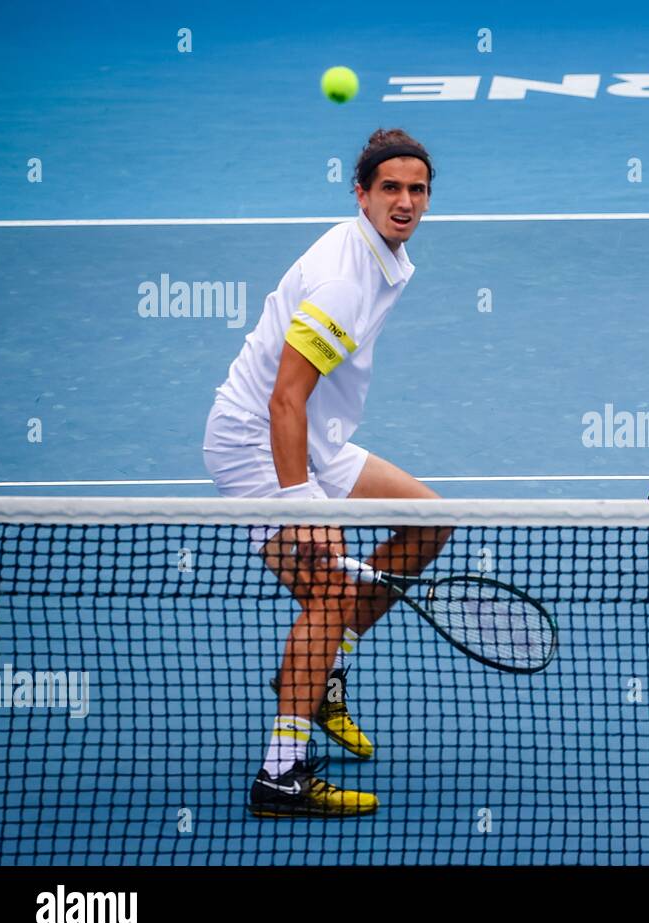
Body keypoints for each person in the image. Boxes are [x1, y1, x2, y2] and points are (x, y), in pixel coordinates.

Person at [203, 128, 449, 816]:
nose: (405, 201)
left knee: (430, 518)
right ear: (362, 195)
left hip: (316, 436)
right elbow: (285, 396)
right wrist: (304, 505)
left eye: (417, 189)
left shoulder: (382, 256)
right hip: (259, 440)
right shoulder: (344, 279)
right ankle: (281, 775)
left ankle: (321, 676)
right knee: (330, 591)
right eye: (390, 189)